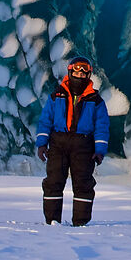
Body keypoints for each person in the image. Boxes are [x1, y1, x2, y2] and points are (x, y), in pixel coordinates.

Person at [35, 58, 110, 225]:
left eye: (84, 72)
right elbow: (45, 120)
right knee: (53, 181)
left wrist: (99, 150)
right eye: (77, 71)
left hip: (83, 145)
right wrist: (41, 144)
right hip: (58, 143)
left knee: (83, 183)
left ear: (89, 74)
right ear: (70, 72)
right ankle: (52, 221)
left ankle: (80, 222)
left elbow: (102, 127)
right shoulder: (56, 95)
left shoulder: (96, 100)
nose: (80, 74)